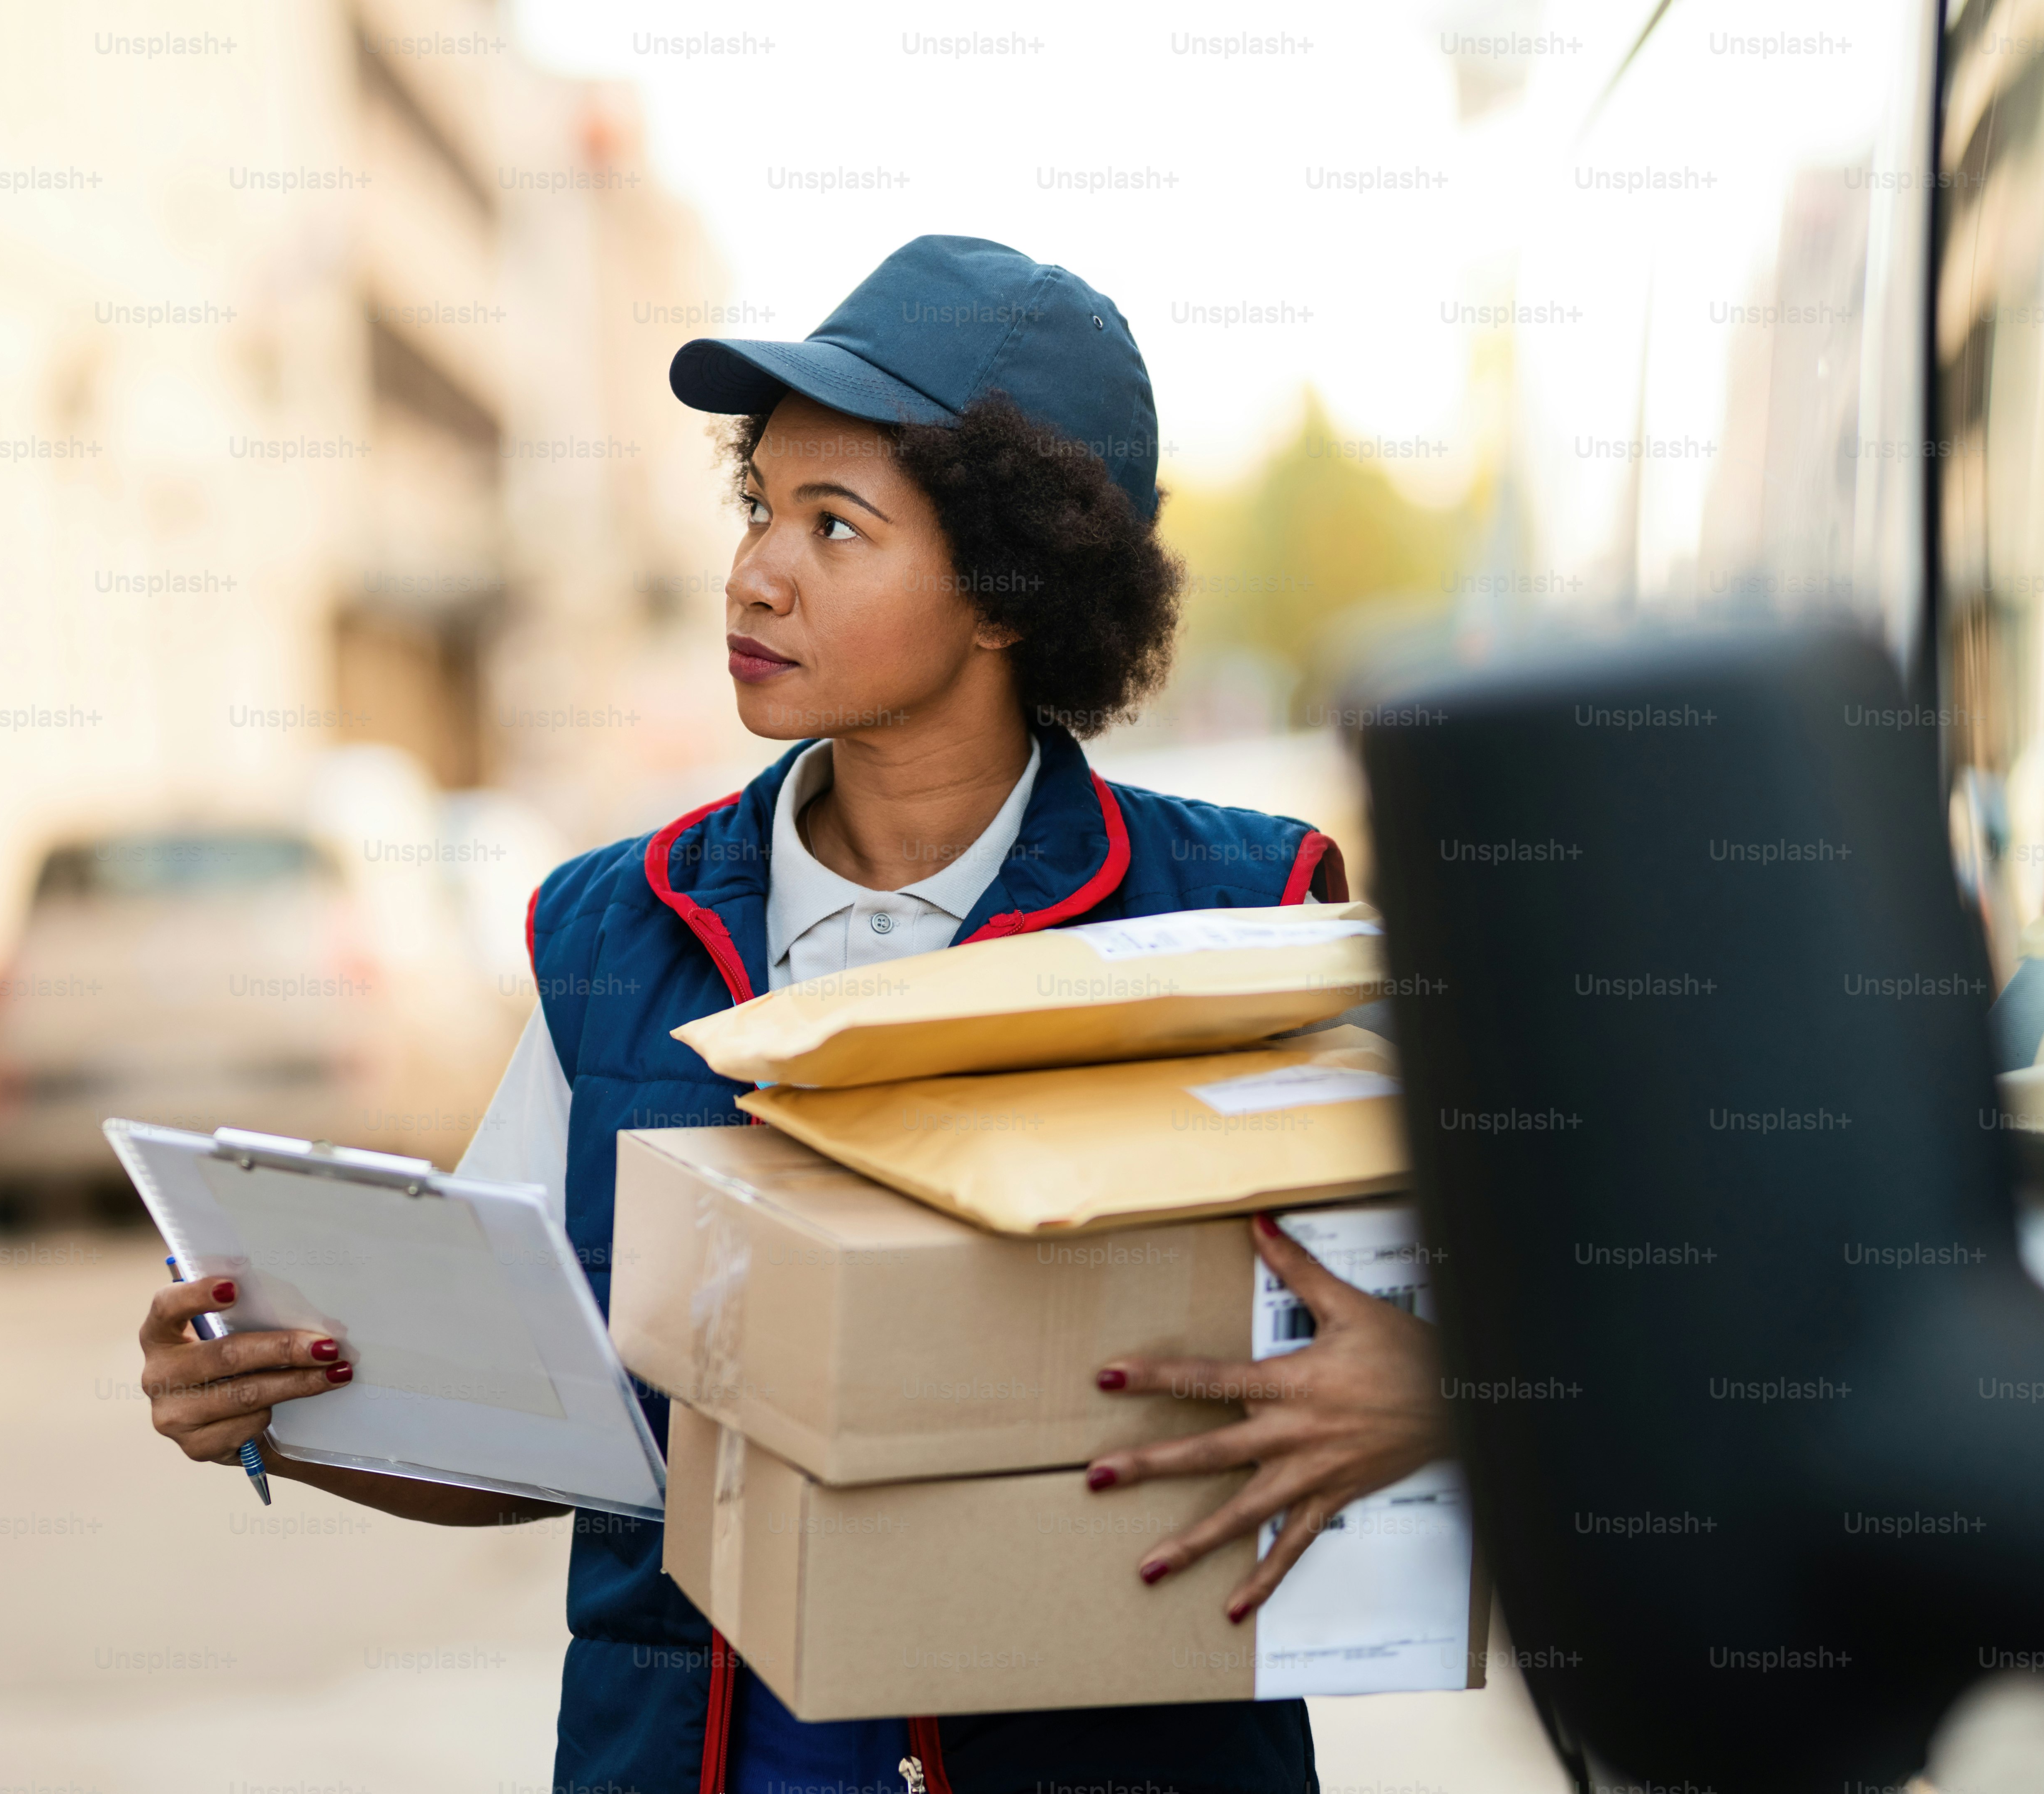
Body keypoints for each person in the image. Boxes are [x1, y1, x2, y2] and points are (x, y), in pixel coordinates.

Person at [137, 235, 1447, 1794]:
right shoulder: (612, 934)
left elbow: (1597, 1314)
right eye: (762, 505)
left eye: (839, 527)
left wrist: (1448, 1392)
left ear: (1011, 594)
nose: (757, 570)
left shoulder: (1238, 921)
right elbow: (535, 1444)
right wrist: (281, 1400)